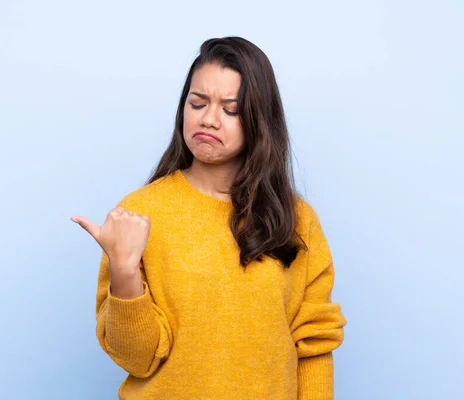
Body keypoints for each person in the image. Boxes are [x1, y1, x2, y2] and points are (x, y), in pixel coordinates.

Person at [71, 36, 347, 399]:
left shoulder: (295, 220)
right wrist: (123, 270)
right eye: (197, 103)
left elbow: (313, 346)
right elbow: (136, 360)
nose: (209, 119)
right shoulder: (139, 214)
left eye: (230, 109)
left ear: (258, 119)